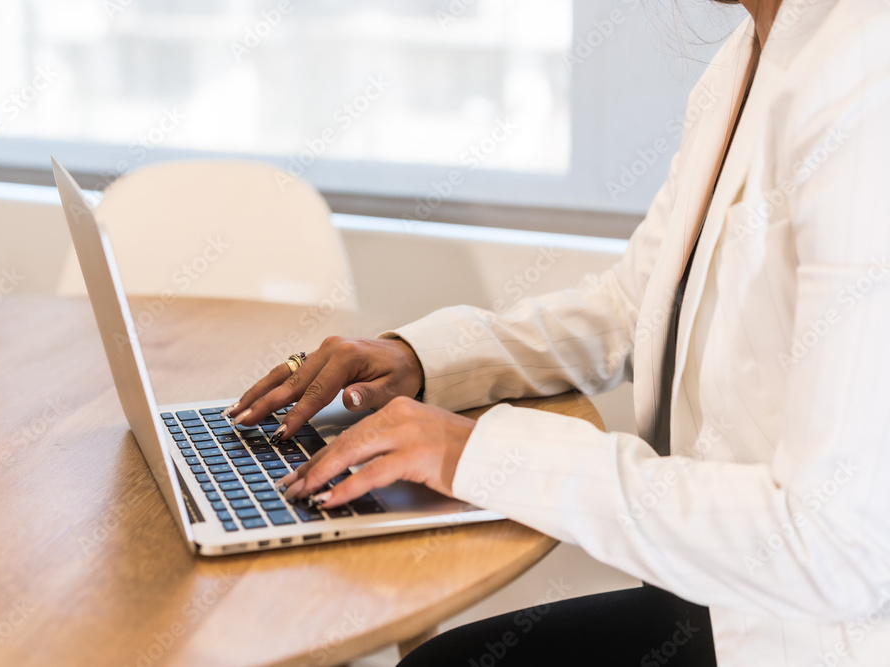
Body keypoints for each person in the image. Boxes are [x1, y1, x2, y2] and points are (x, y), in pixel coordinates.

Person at [231, 0, 890, 664]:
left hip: (797, 634)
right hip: (714, 596)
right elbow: (633, 303)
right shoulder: (747, 56)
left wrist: (482, 452)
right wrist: (422, 358)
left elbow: (836, 545)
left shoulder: (865, 80)